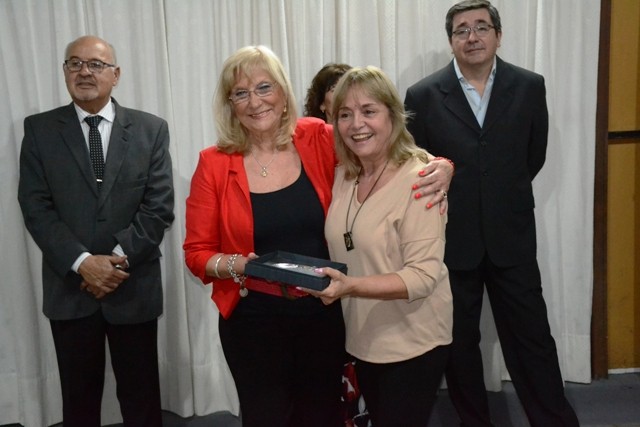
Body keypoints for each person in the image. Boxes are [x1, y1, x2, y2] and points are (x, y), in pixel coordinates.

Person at [182, 46, 453, 427]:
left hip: (323, 314)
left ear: (283, 92)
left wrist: (443, 166)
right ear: (230, 104)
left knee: (322, 415)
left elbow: (383, 148)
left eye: (264, 87)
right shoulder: (213, 163)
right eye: (241, 93)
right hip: (253, 322)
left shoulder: (315, 137)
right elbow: (196, 253)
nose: (255, 102)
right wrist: (242, 265)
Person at [404, 1, 579, 426]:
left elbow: (533, 156)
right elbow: (416, 165)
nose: (472, 37)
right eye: (462, 30)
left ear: (498, 35)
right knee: (460, 344)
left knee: (532, 340)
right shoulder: (423, 95)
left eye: (482, 27)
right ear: (451, 41)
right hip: (452, 239)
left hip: (511, 236)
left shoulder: (529, 86)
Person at [18, 35, 174, 427]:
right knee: (79, 404)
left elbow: (158, 207)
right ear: (65, 72)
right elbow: (36, 208)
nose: (84, 72)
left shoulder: (150, 129)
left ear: (116, 75)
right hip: (71, 288)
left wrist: (115, 263)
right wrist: (83, 263)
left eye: (96, 64)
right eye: (74, 63)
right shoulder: (39, 130)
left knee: (142, 401)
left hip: (133, 285)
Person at [306, 65, 453, 426]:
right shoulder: (345, 173)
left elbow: (422, 277)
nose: (356, 124)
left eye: (369, 111)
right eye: (345, 114)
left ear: (393, 114)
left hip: (412, 341)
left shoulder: (422, 178)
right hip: (364, 338)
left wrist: (349, 286)